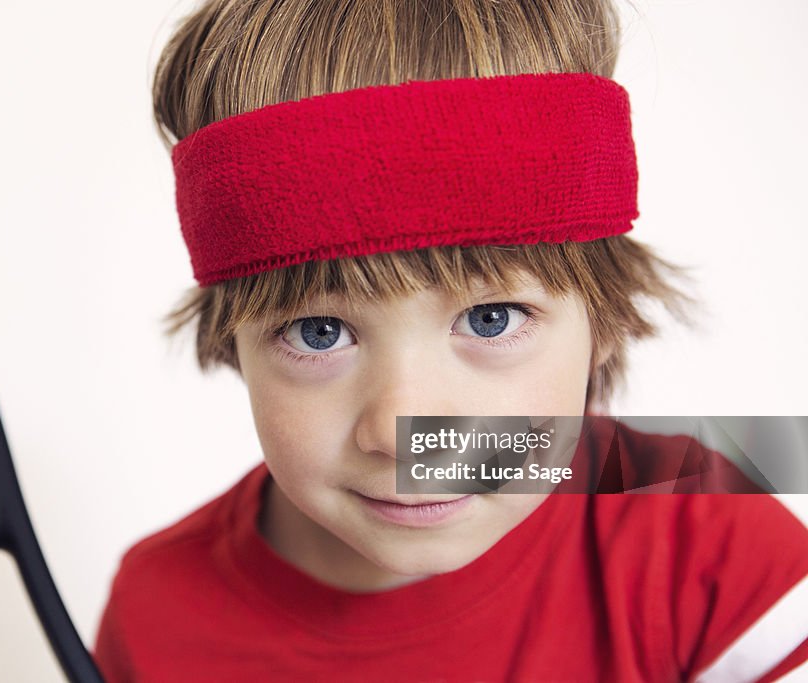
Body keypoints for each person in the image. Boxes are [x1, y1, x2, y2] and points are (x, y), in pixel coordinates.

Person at [94, 1, 808, 680]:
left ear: (605, 318)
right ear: (232, 341)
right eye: (321, 331)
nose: (406, 433)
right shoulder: (158, 614)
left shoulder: (709, 541)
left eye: (491, 318)